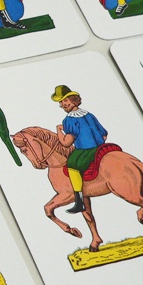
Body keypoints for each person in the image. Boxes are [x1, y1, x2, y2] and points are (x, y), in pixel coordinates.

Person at [52, 85, 108, 213]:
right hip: (100, 147)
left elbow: (66, 143)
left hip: (85, 150)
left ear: (73, 99)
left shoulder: (69, 120)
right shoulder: (89, 115)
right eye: (61, 102)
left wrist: (59, 130)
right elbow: (104, 135)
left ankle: (79, 201)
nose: (63, 104)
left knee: (71, 165)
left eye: (65, 100)